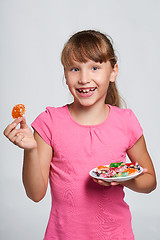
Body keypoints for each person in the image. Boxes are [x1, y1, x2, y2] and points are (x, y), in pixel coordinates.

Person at [4, 30, 157, 240]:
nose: (84, 79)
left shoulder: (126, 121)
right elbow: (35, 194)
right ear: (65, 74)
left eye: (95, 68)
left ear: (113, 72)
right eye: (75, 69)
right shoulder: (49, 122)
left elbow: (150, 181)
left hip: (116, 235)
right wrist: (30, 150)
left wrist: (120, 179)